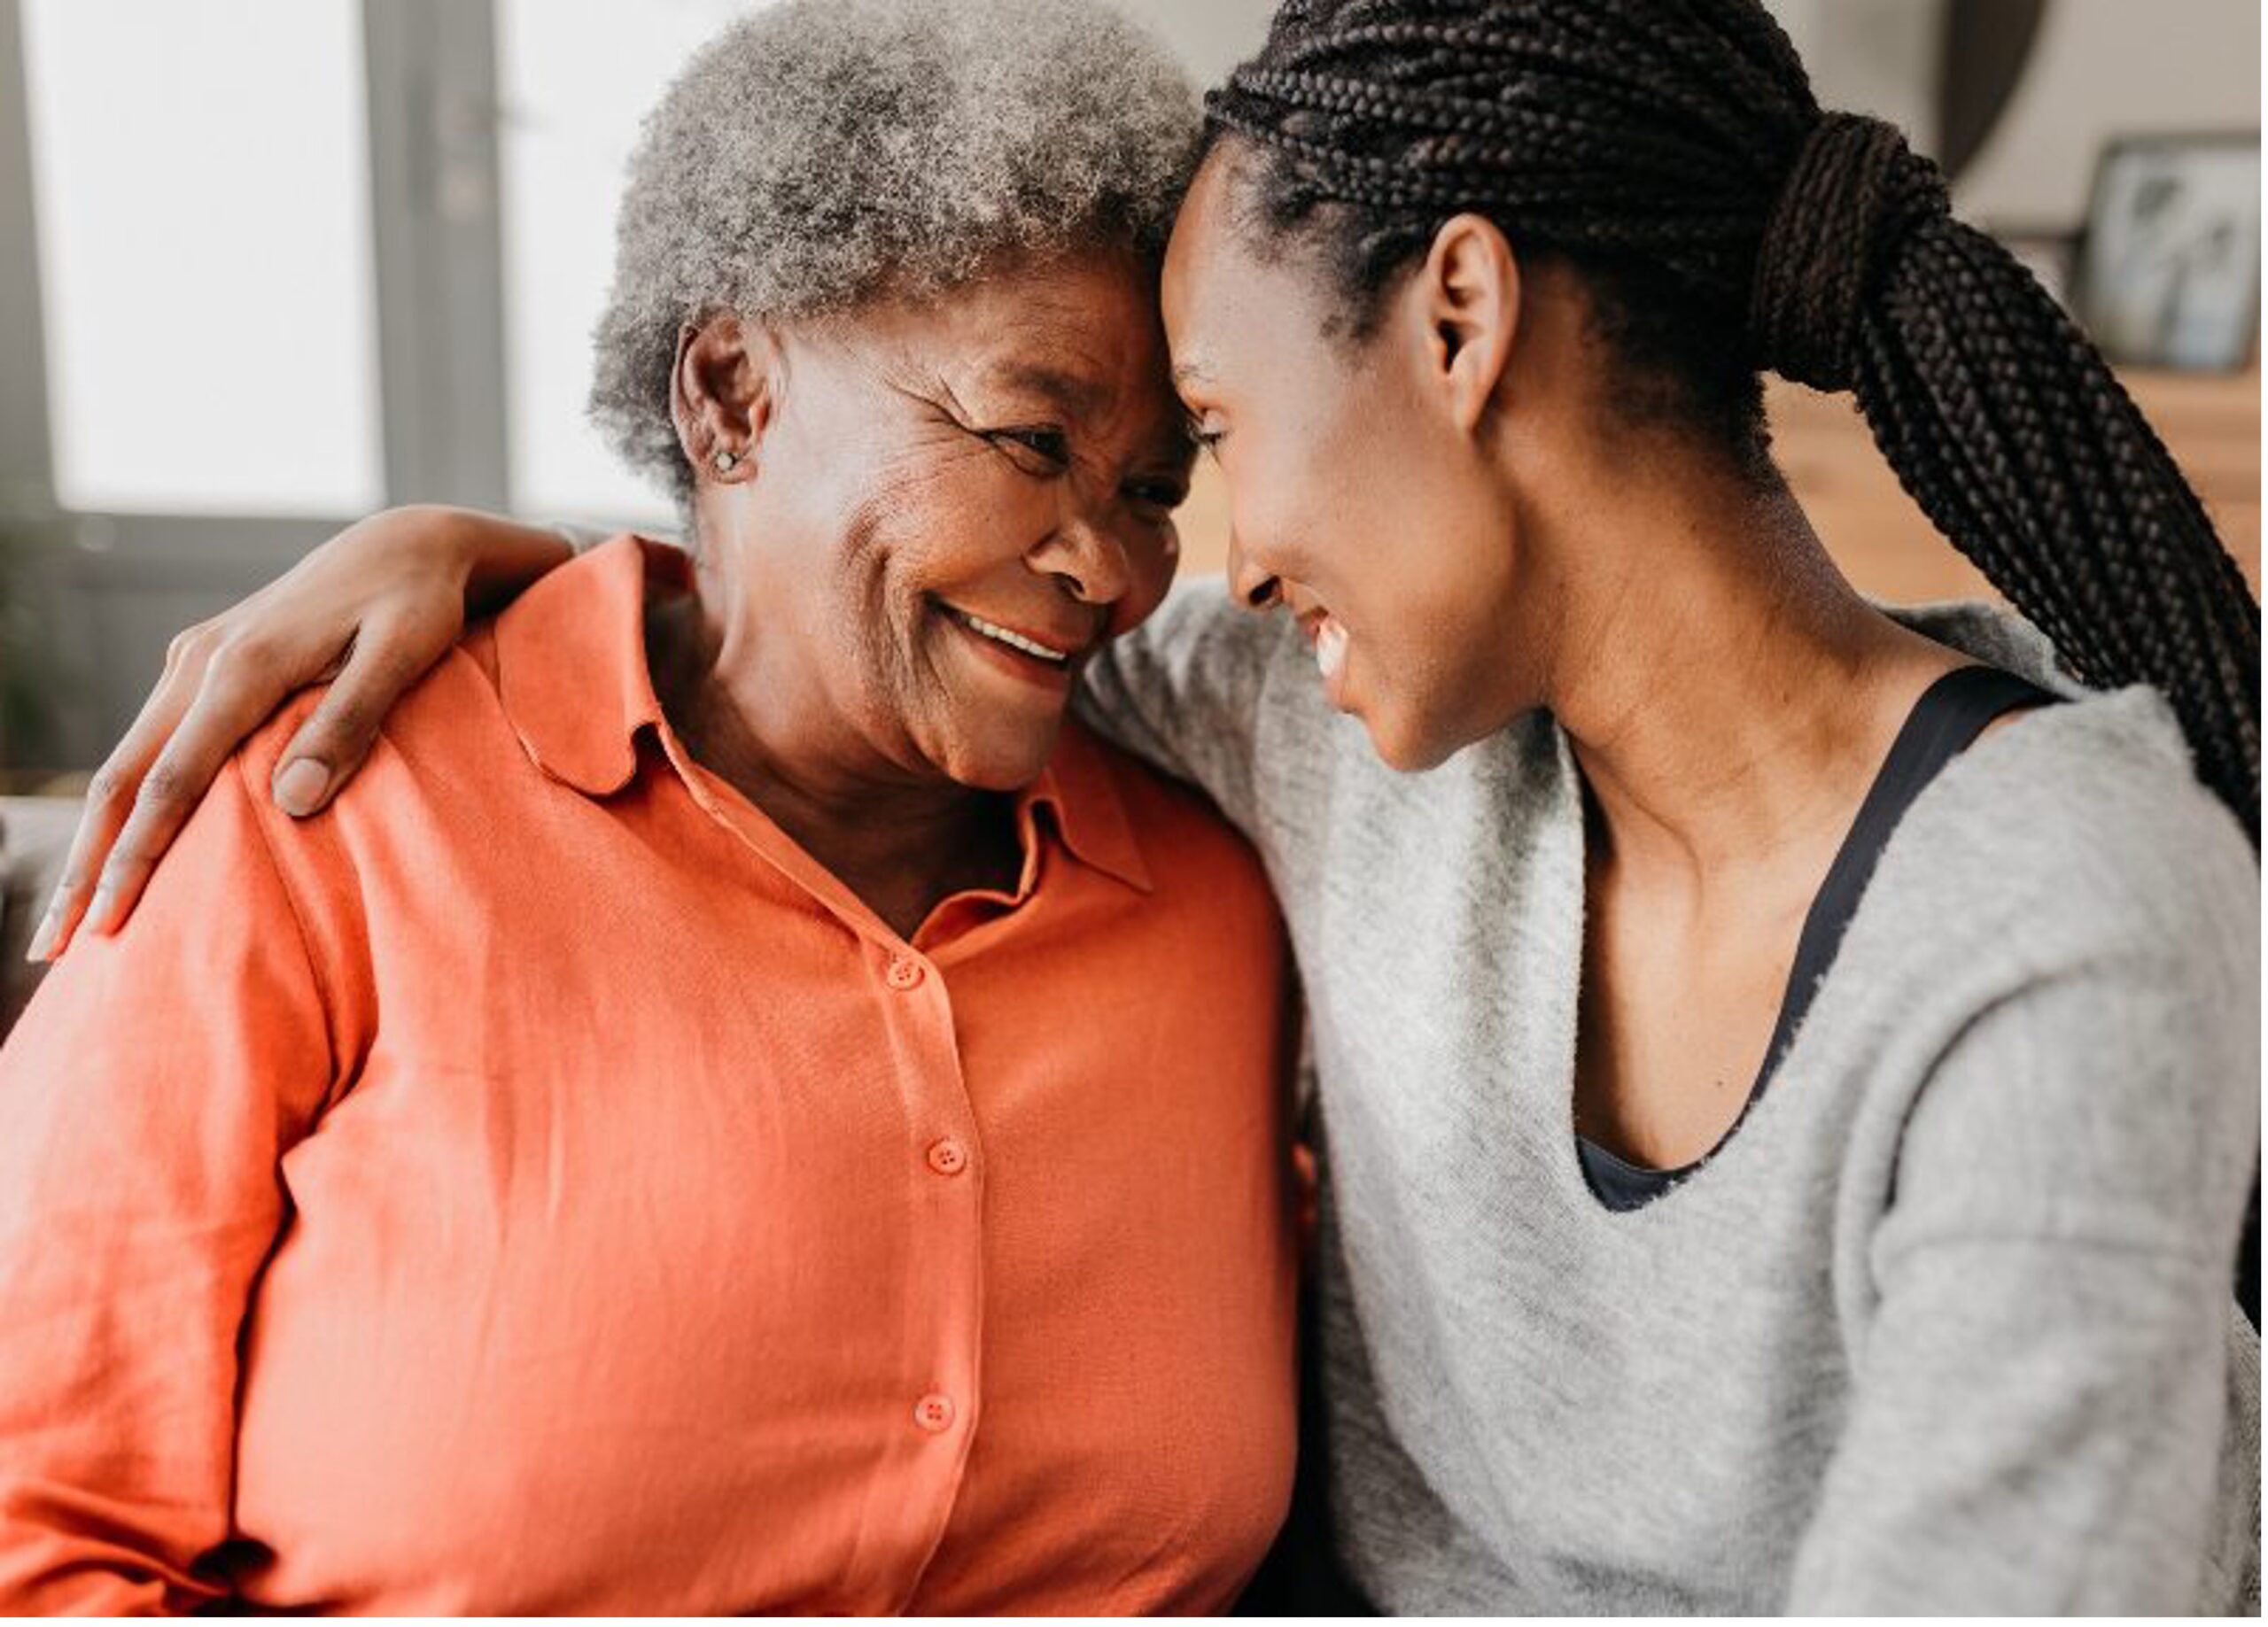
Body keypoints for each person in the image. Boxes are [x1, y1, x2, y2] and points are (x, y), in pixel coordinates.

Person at [31, 0, 2263, 1612]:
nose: (1137, 570)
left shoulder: (2028, 898)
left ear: (1461, 322)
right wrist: (473, 550)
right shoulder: (1338, 741)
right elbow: (832, 624)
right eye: (1046, 446)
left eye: (1183, 454)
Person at [0, 2, 1305, 1612]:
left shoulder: (1221, 908)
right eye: (1033, 439)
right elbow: (36, 1529)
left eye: (1153, 488)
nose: (1107, 566)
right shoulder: (320, 812)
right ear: (732, 394)